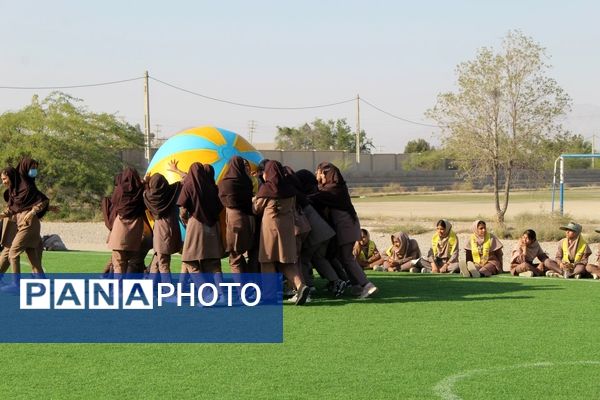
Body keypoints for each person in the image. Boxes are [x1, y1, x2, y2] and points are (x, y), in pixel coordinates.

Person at [309, 162, 378, 298]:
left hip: (345, 226)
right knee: (343, 257)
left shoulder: (331, 189)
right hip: (348, 226)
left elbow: (314, 197)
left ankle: (366, 285)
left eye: (318, 172)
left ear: (324, 173)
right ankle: (357, 285)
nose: (316, 174)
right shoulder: (336, 187)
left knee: (347, 258)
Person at [253, 160, 310, 305]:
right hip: (287, 228)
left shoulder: (266, 189)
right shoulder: (290, 189)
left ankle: (270, 296)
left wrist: (253, 201)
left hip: (270, 229)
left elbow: (257, 210)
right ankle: (300, 285)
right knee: (287, 262)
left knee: (267, 261)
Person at [0, 158, 50, 293]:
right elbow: (14, 208)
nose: (4, 182)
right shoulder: (15, 189)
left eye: (5, 179)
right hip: (19, 223)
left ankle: (16, 284)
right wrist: (2, 214)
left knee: (13, 252)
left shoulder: (27, 187)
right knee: (32, 257)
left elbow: (42, 201)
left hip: (28, 224)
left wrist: (32, 212)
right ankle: (44, 285)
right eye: (2, 179)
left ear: (11, 176)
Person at [295, 169, 347, 296]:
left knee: (304, 260)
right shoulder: (318, 193)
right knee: (319, 258)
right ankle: (337, 281)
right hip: (327, 232)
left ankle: (309, 286)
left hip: (315, 235)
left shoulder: (305, 197)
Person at [177, 162, 225, 280]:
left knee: (189, 260)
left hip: (196, 224)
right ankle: (221, 294)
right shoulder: (212, 187)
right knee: (213, 263)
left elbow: (182, 208)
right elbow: (220, 206)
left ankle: (206, 292)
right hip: (213, 225)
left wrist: (186, 221)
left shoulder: (189, 186)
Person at [218, 156, 256, 273]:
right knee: (249, 255)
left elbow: (221, 200)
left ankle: (243, 289)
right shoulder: (247, 182)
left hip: (235, 221)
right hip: (250, 220)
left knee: (235, 258)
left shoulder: (225, 182)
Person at [143, 172, 182, 284]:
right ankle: (159, 287)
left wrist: (146, 181)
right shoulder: (172, 191)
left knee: (161, 258)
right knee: (160, 259)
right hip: (172, 226)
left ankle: (162, 289)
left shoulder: (148, 196)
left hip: (160, 228)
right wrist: (177, 170)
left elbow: (145, 190)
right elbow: (186, 179)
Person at [106, 167, 146, 275]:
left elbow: (113, 201)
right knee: (134, 259)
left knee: (118, 262)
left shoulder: (120, 190)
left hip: (120, 227)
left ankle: (118, 288)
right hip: (136, 228)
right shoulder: (141, 190)